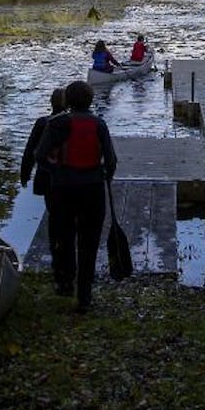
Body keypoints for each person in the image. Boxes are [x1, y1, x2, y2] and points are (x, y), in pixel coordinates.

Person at [34, 80, 118, 312]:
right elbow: (111, 160)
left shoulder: (57, 124)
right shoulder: (99, 124)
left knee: (65, 237)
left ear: (68, 101)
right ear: (90, 100)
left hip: (63, 189)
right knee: (89, 242)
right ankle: (85, 295)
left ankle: (65, 283)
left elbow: (39, 156)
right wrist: (105, 175)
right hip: (92, 189)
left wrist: (55, 170)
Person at [20, 87, 67, 290]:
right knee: (67, 216)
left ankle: (57, 257)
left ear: (51, 103)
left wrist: (25, 173)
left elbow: (30, 150)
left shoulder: (42, 123)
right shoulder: (70, 123)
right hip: (68, 178)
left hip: (47, 178)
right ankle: (65, 255)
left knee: (54, 216)